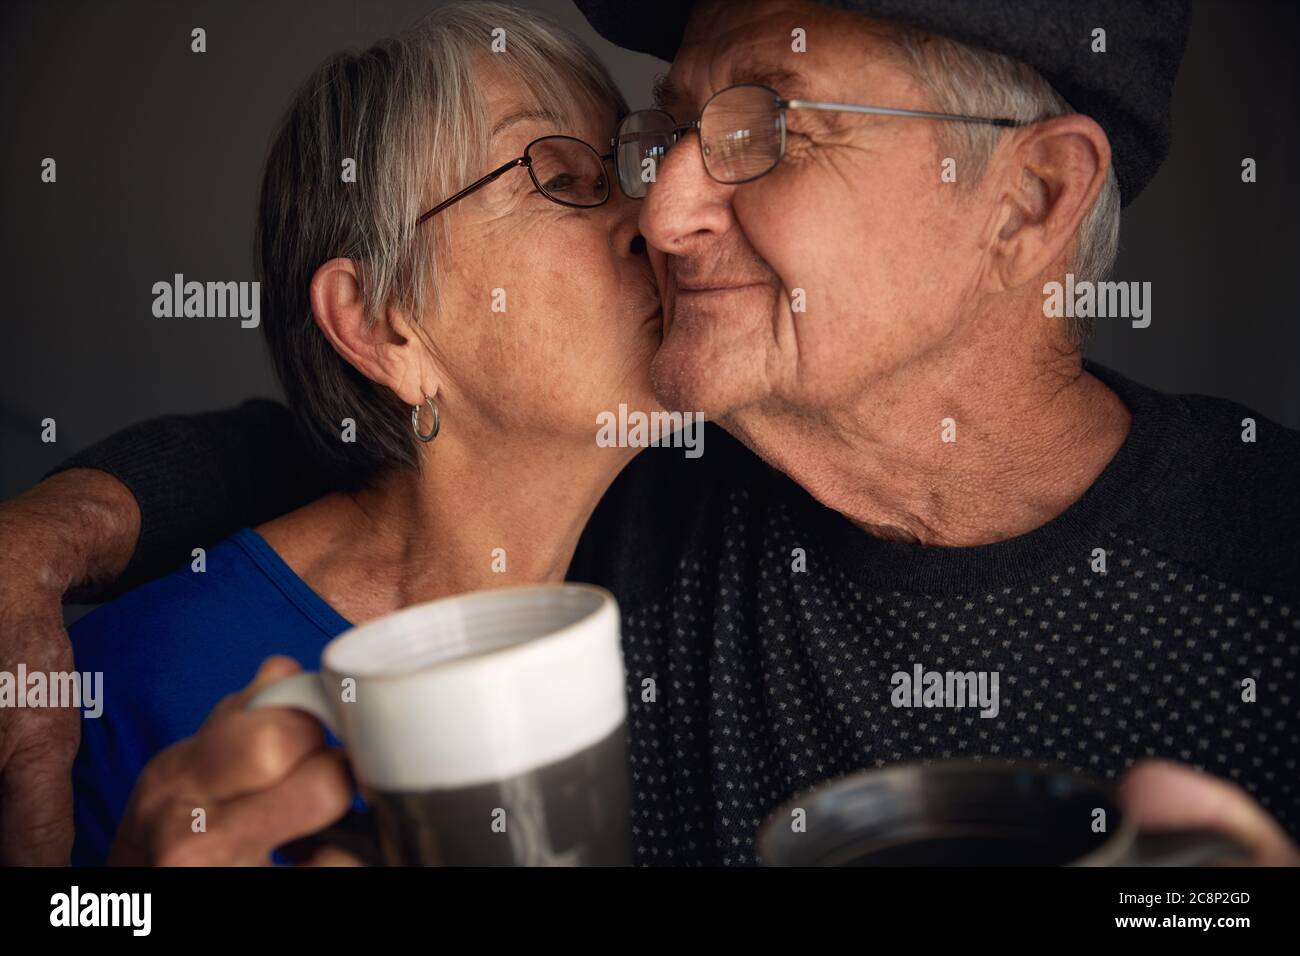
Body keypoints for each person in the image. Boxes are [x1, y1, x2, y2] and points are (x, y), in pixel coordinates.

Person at [2, 0, 1298, 866]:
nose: (664, 207)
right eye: (664, 135)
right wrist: (57, 529)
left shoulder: (1266, 579)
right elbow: (342, 480)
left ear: (1029, 199)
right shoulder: (614, 515)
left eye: (765, 129)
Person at [59, 1, 664, 864]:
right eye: (561, 180)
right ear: (384, 327)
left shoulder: (698, 550)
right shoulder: (115, 694)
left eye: (630, 169)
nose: (655, 219)